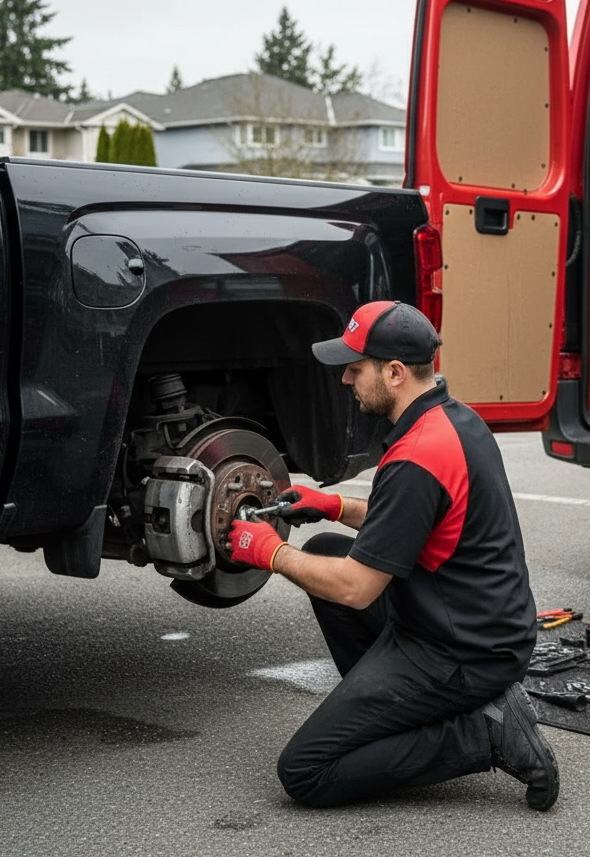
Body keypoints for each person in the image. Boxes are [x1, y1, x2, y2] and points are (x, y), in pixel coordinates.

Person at [226, 300, 558, 810]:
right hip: (471, 622)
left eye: (355, 369)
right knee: (327, 546)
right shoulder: (454, 420)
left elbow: (357, 588)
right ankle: (408, 715)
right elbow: (409, 520)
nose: (345, 380)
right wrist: (333, 506)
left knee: (306, 771)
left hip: (463, 651)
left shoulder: (418, 457)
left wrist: (270, 552)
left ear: (395, 373)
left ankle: (485, 734)